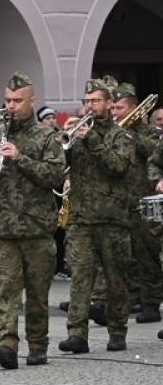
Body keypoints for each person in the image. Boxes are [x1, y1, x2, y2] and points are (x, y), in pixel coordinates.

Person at [0, 72, 63, 369]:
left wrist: (19, 158)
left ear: (31, 101)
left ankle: (37, 345)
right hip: (1, 227)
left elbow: (55, 176)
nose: (11, 106)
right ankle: (6, 344)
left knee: (37, 294)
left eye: (17, 101)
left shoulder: (47, 136)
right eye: (7, 100)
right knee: (5, 290)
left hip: (36, 227)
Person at [59, 78, 136, 354]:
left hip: (112, 219)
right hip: (81, 218)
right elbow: (60, 169)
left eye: (96, 101)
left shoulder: (121, 135)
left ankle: (117, 331)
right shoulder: (78, 134)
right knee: (80, 277)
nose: (90, 106)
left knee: (116, 278)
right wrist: (63, 146)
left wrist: (91, 140)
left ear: (109, 104)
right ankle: (77, 334)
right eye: (87, 101)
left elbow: (118, 167)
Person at [110, 85, 162, 324]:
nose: (115, 112)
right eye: (113, 107)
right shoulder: (112, 132)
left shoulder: (149, 132)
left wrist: (132, 135)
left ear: (133, 108)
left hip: (143, 201)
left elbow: (153, 153)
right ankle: (132, 298)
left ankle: (151, 302)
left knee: (147, 254)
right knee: (125, 255)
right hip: (121, 202)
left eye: (119, 108)